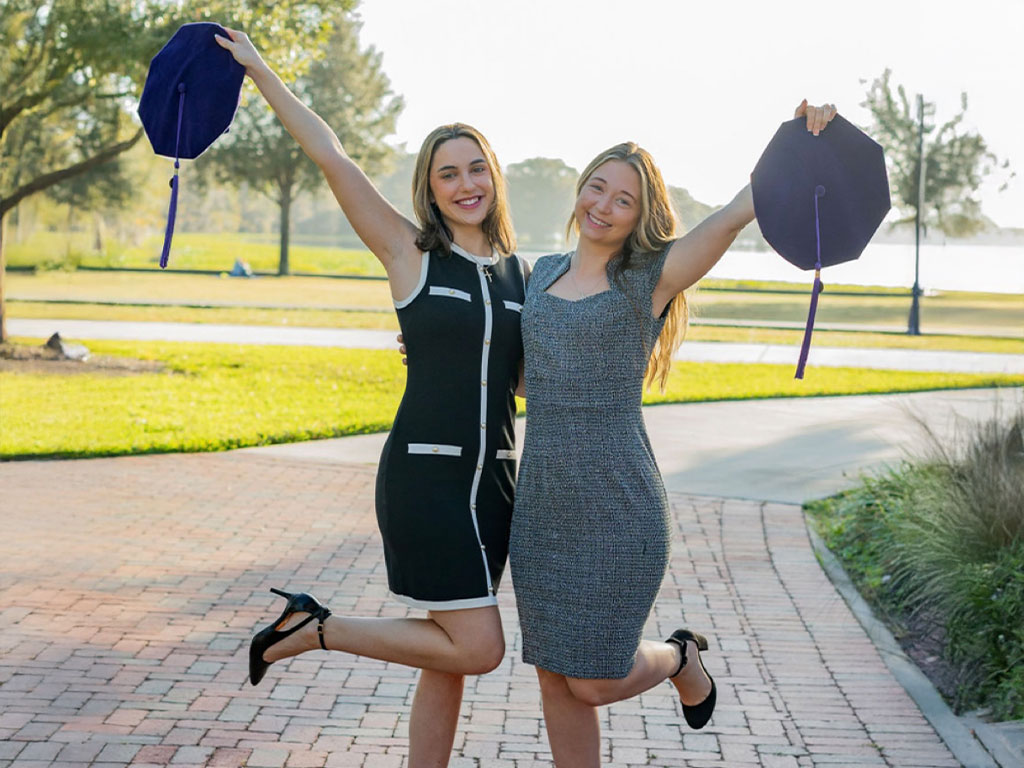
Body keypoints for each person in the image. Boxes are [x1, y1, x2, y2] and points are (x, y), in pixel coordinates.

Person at [213, 28, 530, 768]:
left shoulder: (522, 273)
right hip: (426, 478)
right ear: (429, 188)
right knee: (478, 649)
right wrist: (261, 70)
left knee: (447, 652)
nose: (465, 184)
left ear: (495, 176)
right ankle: (316, 628)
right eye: (447, 173)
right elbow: (333, 157)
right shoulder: (407, 251)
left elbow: (520, 375)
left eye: (476, 168)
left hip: (496, 486)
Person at [508, 102, 836, 766]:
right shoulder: (539, 273)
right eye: (598, 186)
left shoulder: (645, 284)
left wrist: (798, 140)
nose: (604, 204)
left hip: (619, 510)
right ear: (581, 189)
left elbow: (736, 212)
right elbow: (526, 379)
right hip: (542, 512)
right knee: (555, 676)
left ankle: (679, 655)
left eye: (623, 199)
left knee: (593, 679)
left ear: (640, 215)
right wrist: (433, 352)